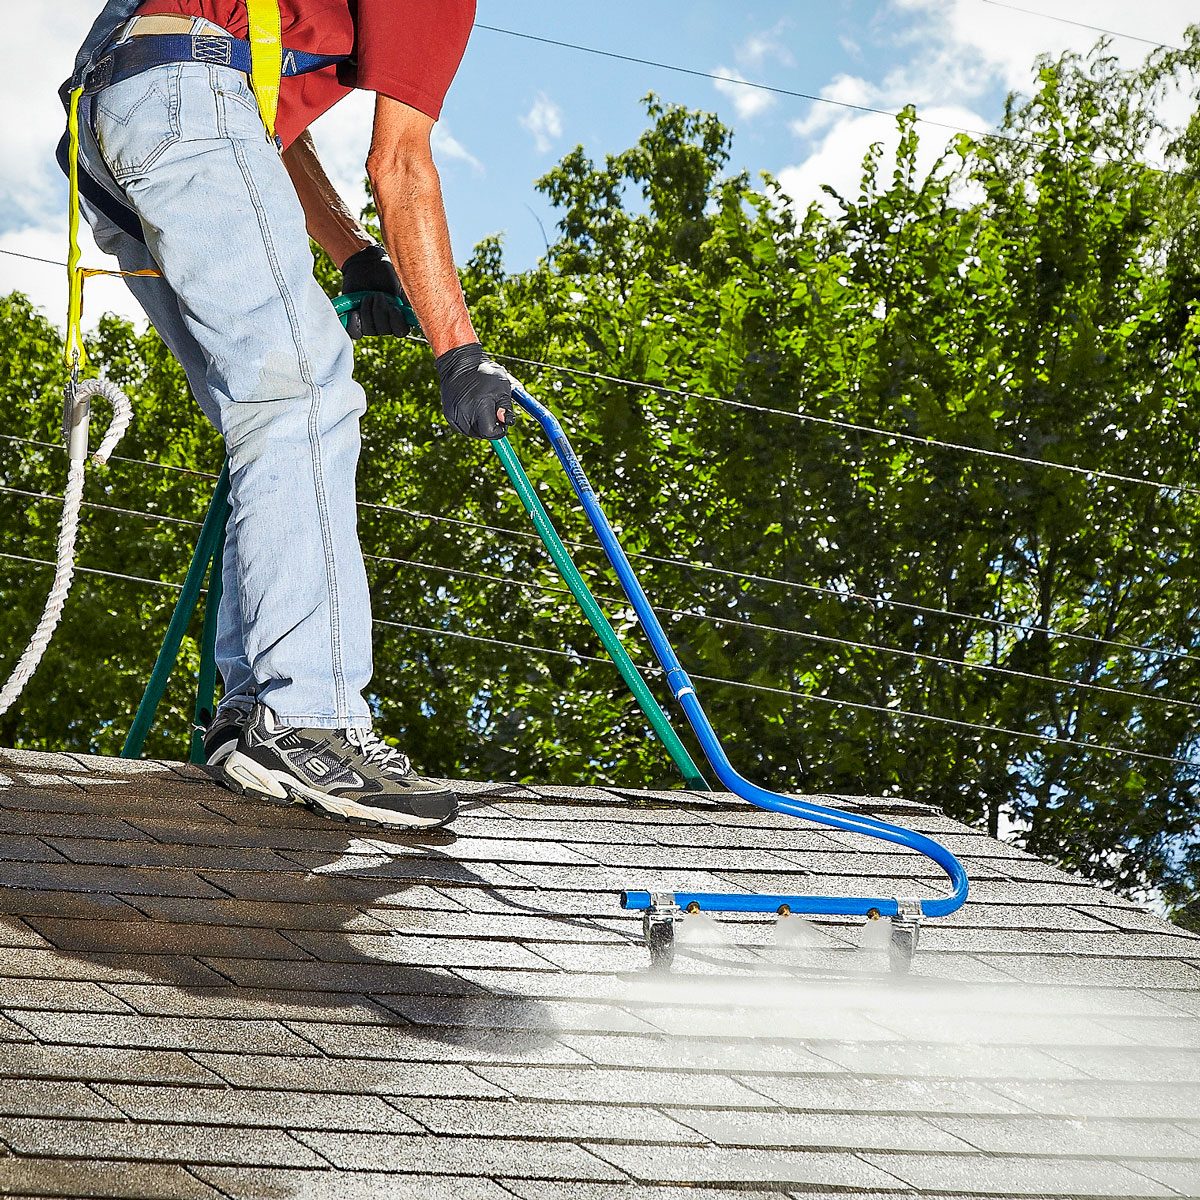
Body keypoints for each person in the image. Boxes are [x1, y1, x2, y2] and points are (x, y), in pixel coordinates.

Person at [64, 0, 512, 829]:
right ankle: (309, 718)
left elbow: (271, 126)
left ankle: (252, 715)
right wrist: (459, 352)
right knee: (303, 396)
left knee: (266, 415)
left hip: (116, 117)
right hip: (184, 93)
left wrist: (356, 257)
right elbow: (400, 162)